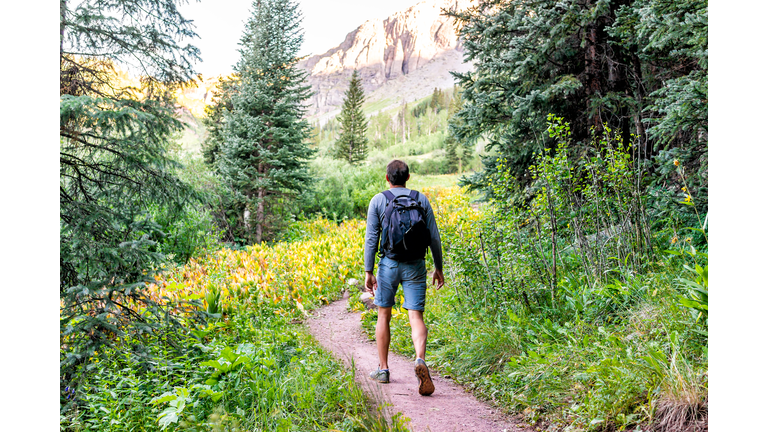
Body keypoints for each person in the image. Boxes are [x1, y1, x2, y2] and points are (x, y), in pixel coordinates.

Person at [363, 159, 445, 396]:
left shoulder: (378, 200)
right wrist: (438, 267)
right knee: (415, 315)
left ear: (387, 178)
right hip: (416, 265)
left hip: (388, 264)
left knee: (383, 314)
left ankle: (384, 369)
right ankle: (420, 359)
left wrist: (369, 271)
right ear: (408, 177)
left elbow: (371, 239)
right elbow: (434, 238)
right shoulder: (421, 199)